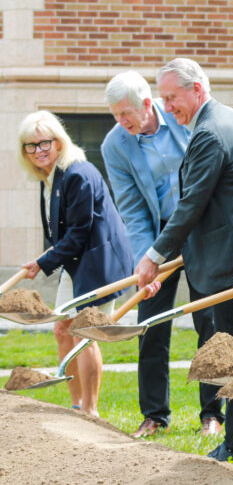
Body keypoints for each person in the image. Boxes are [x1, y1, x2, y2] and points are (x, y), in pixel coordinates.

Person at [133, 58, 233, 461]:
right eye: (162, 99)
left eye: (172, 97)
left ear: (197, 89)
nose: (167, 107)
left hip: (232, 258)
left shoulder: (210, 132)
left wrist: (154, 255)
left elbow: (191, 203)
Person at [102, 71, 223, 437]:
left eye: (126, 114)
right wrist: (146, 258)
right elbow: (133, 208)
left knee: (209, 323)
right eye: (115, 116)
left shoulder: (183, 117)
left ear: (146, 103)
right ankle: (154, 415)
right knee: (151, 325)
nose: (122, 123)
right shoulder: (115, 146)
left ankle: (213, 414)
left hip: (203, 229)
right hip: (160, 234)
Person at [18, 110, 133, 416]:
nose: (39, 151)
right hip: (77, 261)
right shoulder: (51, 177)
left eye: (45, 143)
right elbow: (61, 234)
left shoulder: (77, 173)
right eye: (31, 145)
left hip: (99, 262)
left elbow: (79, 233)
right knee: (62, 329)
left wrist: (43, 263)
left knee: (85, 332)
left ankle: (90, 412)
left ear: (59, 141)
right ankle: (75, 405)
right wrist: (46, 259)